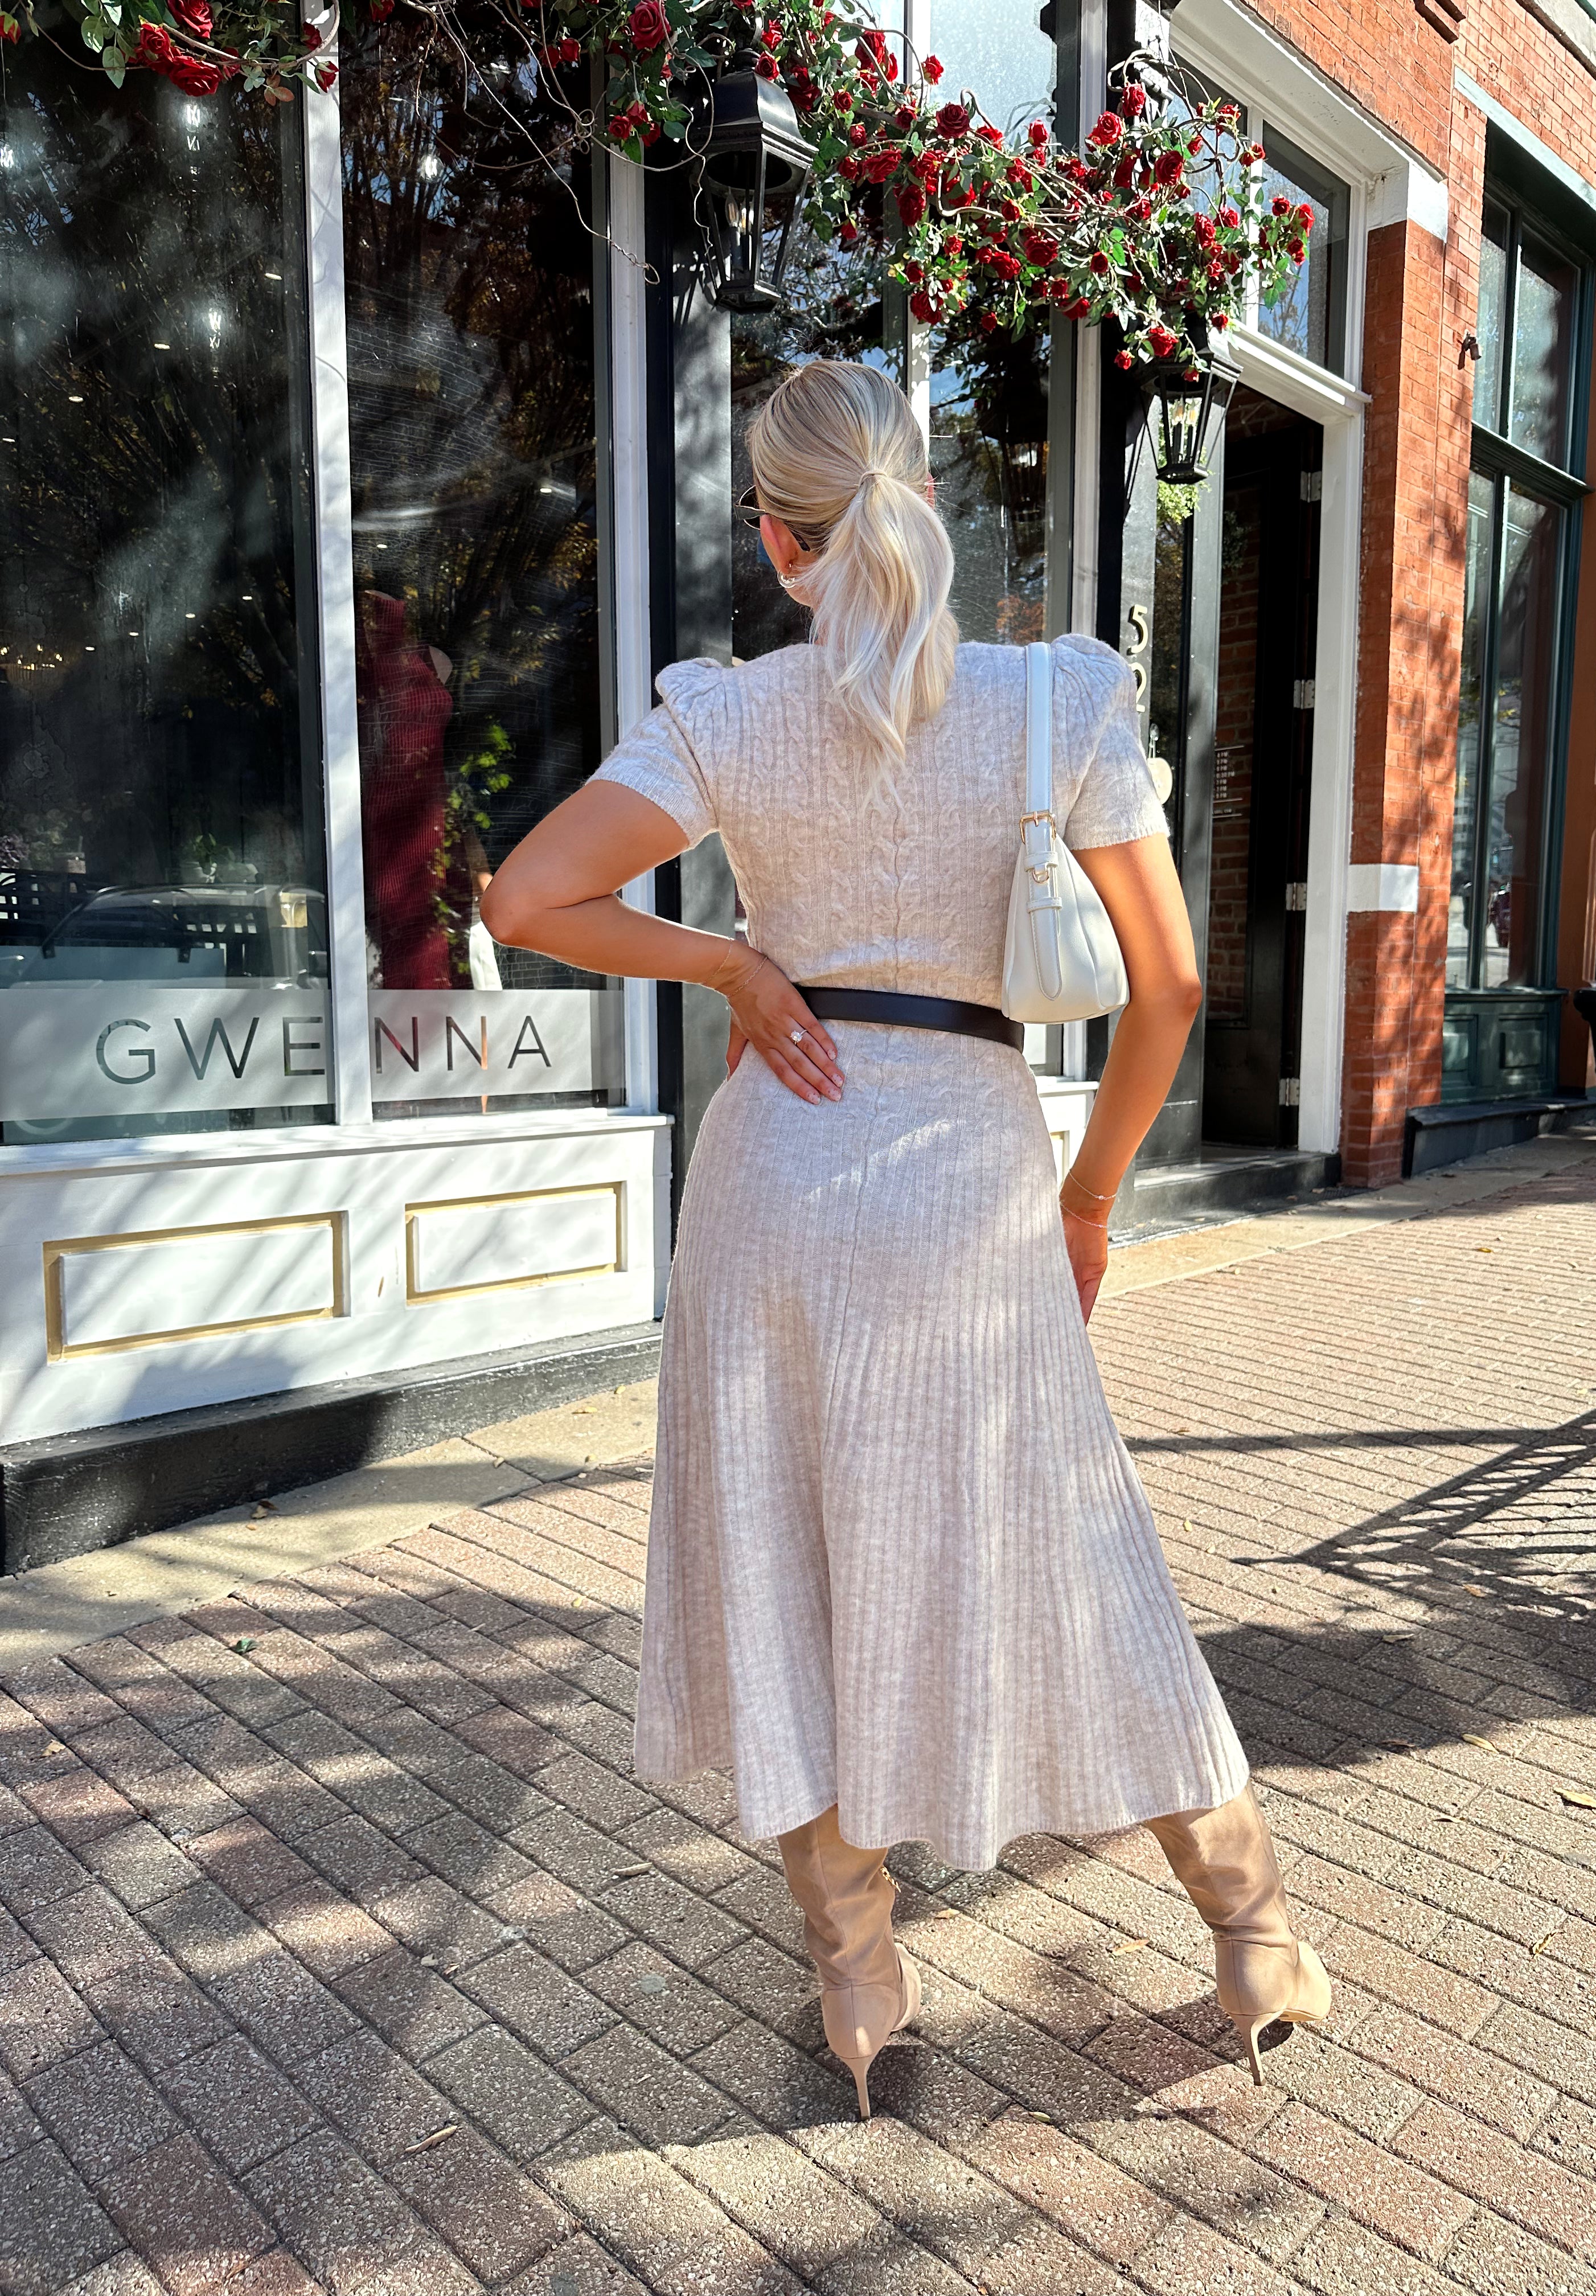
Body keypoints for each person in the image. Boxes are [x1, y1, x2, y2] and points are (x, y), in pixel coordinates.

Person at [481, 359, 1328, 2118]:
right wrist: (1092, 1199)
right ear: (923, 494)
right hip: (971, 1181)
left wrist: (728, 959)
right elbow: (1168, 987)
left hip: (781, 1177)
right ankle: (1249, 1930)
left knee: (790, 1555)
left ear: (781, 543)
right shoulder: (1051, 703)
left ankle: (862, 1971)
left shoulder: (728, 715)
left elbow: (524, 898)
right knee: (1070, 1544)